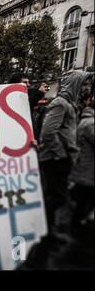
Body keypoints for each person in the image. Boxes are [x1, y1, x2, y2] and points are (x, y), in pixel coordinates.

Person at [39, 70, 93, 231]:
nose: (87, 88)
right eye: (84, 84)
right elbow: (48, 132)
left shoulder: (69, 104)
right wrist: (60, 154)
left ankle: (48, 229)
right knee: (57, 196)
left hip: (60, 158)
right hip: (54, 159)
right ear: (75, 84)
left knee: (57, 195)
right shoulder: (60, 103)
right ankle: (45, 229)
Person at [69, 81, 94, 227]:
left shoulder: (87, 121)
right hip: (87, 169)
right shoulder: (90, 123)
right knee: (84, 198)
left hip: (85, 169)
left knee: (83, 197)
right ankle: (77, 225)